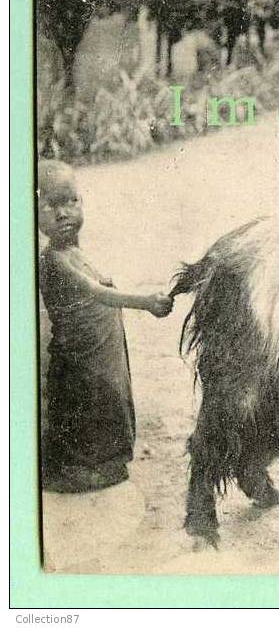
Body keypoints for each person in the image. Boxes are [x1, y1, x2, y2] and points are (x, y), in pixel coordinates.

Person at [37, 159, 173, 493]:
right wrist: (147, 303)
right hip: (82, 354)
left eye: (72, 201)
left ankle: (105, 462)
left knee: (109, 399)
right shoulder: (54, 259)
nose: (64, 213)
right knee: (87, 402)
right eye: (49, 206)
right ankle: (80, 468)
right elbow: (97, 292)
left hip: (102, 349)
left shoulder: (73, 250)